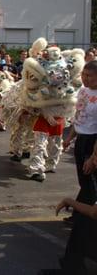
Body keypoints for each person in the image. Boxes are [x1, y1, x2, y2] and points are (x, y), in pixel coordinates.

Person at [62, 60, 97, 223]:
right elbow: (79, 117)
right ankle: (83, 213)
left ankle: (83, 215)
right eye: (83, 74)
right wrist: (69, 138)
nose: (85, 78)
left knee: (90, 180)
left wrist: (93, 157)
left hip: (94, 141)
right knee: (83, 180)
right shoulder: (83, 91)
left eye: (89, 76)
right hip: (81, 139)